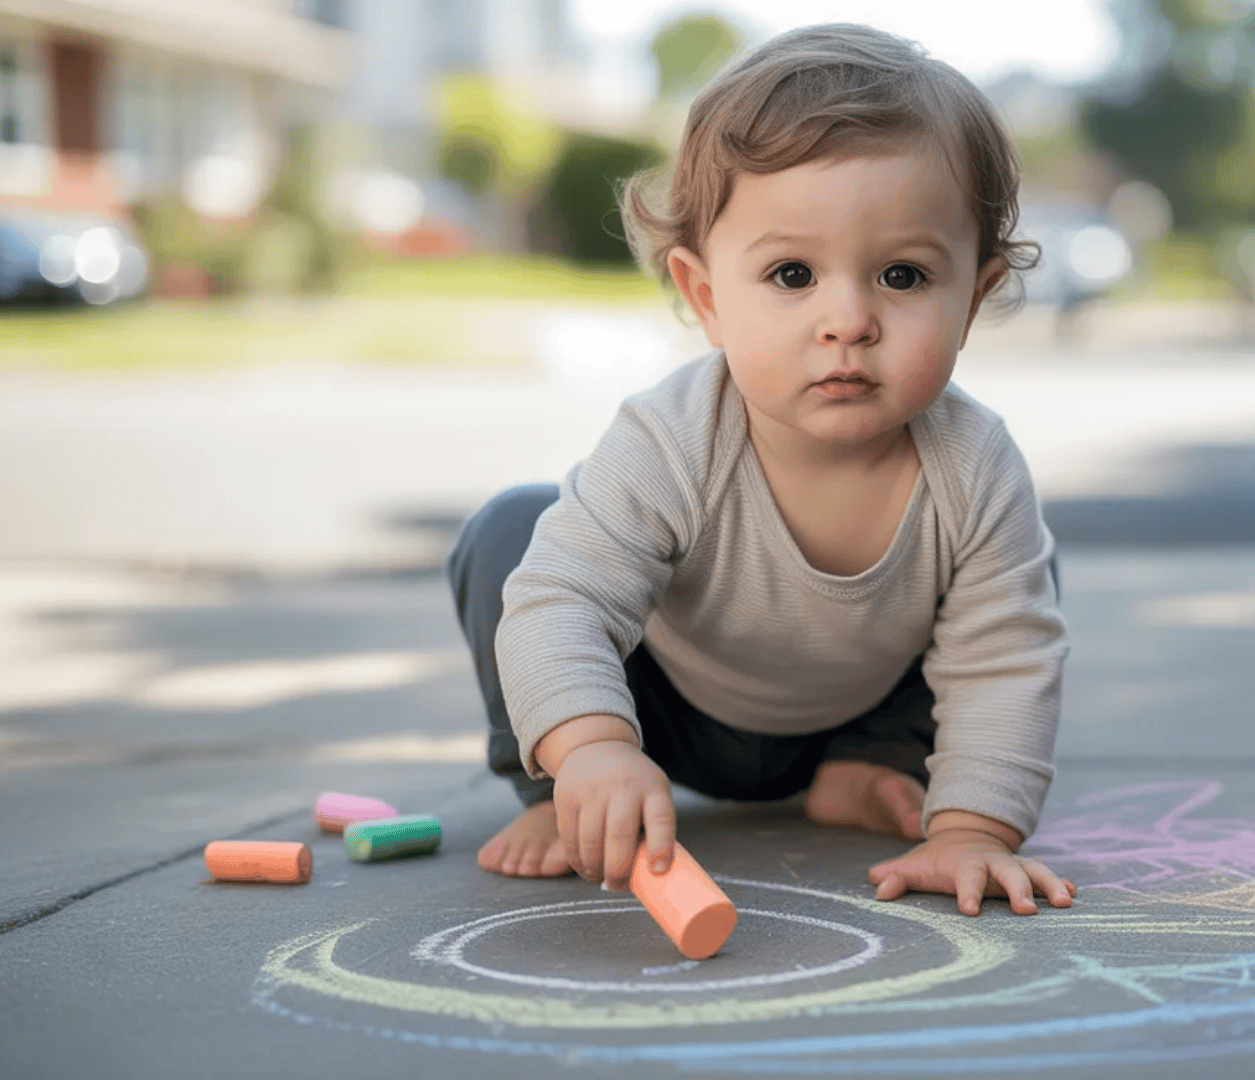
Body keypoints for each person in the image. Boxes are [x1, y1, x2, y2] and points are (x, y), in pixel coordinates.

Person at [446, 23, 1073, 917]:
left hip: (850, 713)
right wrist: (589, 746)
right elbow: (567, 600)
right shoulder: (674, 438)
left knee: (1026, 574)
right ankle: (559, 799)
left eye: (901, 275)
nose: (848, 319)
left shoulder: (974, 466)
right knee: (517, 532)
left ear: (972, 296)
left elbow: (1003, 662)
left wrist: (972, 830)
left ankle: (872, 766)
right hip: (656, 712)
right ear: (706, 297)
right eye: (791, 274)